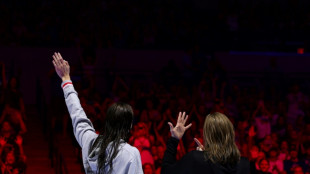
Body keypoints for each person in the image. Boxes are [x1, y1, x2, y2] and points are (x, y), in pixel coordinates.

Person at [52, 52, 143, 174]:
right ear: (129, 127)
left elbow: (77, 114)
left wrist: (66, 80)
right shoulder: (131, 154)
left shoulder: (90, 141)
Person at [161, 112, 250, 174]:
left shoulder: (195, 158)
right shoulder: (244, 164)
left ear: (207, 134)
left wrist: (174, 140)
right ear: (231, 133)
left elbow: (166, 171)